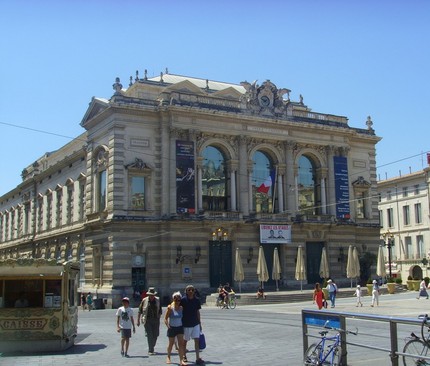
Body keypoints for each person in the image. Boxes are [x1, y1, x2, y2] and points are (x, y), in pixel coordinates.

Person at [181, 284, 204, 365]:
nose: (191, 291)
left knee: (196, 340)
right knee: (185, 341)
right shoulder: (183, 300)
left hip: (195, 323)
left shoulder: (197, 300)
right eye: (189, 290)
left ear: (194, 291)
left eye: (192, 290)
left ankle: (197, 358)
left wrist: (200, 323)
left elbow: (198, 312)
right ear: (186, 291)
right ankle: (184, 356)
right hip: (186, 324)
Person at [137, 287, 162, 355]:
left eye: (153, 295)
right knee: (150, 335)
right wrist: (138, 320)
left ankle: (152, 346)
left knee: (156, 335)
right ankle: (150, 350)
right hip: (147, 320)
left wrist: (159, 317)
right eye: (150, 295)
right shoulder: (144, 300)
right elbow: (140, 311)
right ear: (148, 295)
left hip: (156, 320)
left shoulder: (158, 300)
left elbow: (160, 310)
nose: (151, 296)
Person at [164, 291, 186, 365]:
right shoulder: (170, 308)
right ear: (173, 299)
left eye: (179, 300)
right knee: (171, 343)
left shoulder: (181, 308)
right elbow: (165, 318)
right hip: (172, 328)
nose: (177, 301)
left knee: (181, 344)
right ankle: (168, 357)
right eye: (175, 300)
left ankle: (181, 360)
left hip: (180, 327)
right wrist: (168, 326)